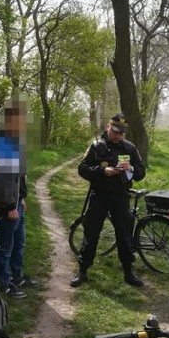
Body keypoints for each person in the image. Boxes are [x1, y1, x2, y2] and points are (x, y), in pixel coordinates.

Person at [71, 113, 146, 288]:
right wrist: (101, 171)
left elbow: (142, 172)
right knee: (91, 233)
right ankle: (82, 270)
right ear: (108, 127)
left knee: (125, 235)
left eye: (122, 133)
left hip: (121, 198)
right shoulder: (97, 146)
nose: (118, 135)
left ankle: (128, 272)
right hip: (99, 197)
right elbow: (82, 168)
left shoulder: (130, 148)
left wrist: (132, 168)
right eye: (115, 131)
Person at [0, 97, 38, 299]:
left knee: (19, 242)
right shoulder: (3, 143)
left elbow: (18, 175)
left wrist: (22, 197)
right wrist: (10, 206)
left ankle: (18, 277)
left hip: (16, 203)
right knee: (6, 246)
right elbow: (1, 180)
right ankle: (5, 283)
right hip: (5, 204)